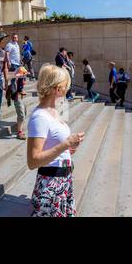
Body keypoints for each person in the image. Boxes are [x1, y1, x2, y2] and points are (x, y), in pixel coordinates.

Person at [25, 63, 85, 217]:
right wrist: (66, 144)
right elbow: (33, 161)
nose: (67, 89)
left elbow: (54, 146)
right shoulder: (40, 117)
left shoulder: (55, 111)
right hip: (50, 184)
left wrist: (69, 148)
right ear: (57, 88)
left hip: (63, 181)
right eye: (65, 85)